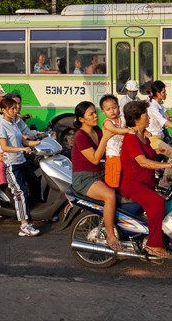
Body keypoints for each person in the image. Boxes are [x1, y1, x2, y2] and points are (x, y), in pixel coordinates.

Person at [121, 100, 172, 259]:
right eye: (146, 114)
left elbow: (149, 153)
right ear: (137, 118)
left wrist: (161, 151)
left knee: (166, 199)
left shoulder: (143, 136)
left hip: (145, 183)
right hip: (133, 185)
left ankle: (155, 236)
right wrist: (167, 164)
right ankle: (153, 245)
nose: (149, 117)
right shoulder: (131, 139)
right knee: (157, 202)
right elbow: (142, 161)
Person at [71, 100, 120, 248]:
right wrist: (105, 138)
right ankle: (111, 236)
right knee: (109, 195)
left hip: (99, 173)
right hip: (84, 178)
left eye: (95, 112)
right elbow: (94, 159)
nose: (95, 116)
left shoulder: (96, 131)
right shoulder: (80, 136)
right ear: (81, 119)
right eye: (91, 114)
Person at [0, 97, 41, 237]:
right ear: (3, 110)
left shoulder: (14, 124)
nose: (15, 111)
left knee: (35, 182)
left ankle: (39, 212)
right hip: (12, 165)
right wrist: (21, 150)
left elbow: (23, 141)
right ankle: (23, 225)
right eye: (12, 109)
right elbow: (4, 147)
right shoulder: (1, 127)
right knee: (20, 192)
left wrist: (41, 142)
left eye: (16, 108)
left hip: (22, 161)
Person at [146, 80, 172, 188]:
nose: (165, 94)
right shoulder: (152, 107)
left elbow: (166, 116)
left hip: (160, 138)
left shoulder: (159, 106)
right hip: (153, 139)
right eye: (163, 92)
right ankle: (165, 184)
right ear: (157, 93)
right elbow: (163, 121)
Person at [100, 94, 133, 188]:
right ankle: (111, 190)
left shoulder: (122, 119)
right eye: (108, 109)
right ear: (103, 112)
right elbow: (115, 130)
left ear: (118, 107)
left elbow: (131, 124)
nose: (112, 111)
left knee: (124, 174)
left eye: (114, 108)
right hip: (113, 154)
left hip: (124, 153)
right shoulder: (107, 122)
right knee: (113, 175)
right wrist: (128, 130)